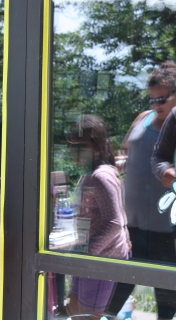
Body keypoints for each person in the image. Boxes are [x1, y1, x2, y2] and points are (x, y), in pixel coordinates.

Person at [108, 61, 176, 319]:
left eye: (162, 99)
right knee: (114, 294)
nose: (156, 106)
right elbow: (125, 152)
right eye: (151, 100)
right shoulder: (142, 118)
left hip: (167, 231)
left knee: (167, 303)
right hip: (131, 225)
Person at [65, 115, 130, 319]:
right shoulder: (87, 174)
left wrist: (89, 251)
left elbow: (114, 222)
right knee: (73, 308)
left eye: (81, 146)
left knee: (87, 315)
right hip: (89, 256)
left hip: (103, 257)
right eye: (71, 147)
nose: (75, 153)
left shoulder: (101, 176)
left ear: (97, 147)